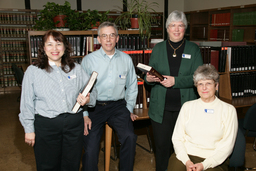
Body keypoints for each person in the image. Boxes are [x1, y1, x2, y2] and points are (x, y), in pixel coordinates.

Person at [19, 30, 97, 171]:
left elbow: (93, 91)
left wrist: (88, 99)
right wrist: (29, 129)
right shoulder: (33, 71)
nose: (54, 49)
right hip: (46, 126)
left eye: (58, 44)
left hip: (74, 126)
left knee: (72, 165)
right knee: (47, 166)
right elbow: (26, 103)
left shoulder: (76, 69)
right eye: (49, 44)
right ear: (43, 48)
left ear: (65, 47)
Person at [144, 10, 203, 171]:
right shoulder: (158, 48)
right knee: (162, 149)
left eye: (181, 26)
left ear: (185, 28)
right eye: (172, 25)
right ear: (167, 28)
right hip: (160, 110)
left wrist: (175, 81)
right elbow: (150, 76)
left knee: (184, 150)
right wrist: (148, 79)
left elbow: (199, 78)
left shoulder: (193, 49)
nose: (176, 29)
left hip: (186, 110)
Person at [81, 21, 138, 171]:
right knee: (91, 147)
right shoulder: (88, 60)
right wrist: (85, 114)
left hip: (118, 106)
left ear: (117, 38)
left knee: (130, 137)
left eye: (112, 35)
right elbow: (81, 90)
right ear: (98, 39)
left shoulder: (126, 59)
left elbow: (132, 85)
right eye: (104, 36)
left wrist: (129, 108)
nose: (108, 39)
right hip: (94, 107)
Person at [168, 64, 238, 171]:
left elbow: (227, 146)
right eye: (200, 84)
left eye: (208, 83)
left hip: (214, 159)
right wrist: (187, 161)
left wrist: (204, 165)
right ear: (196, 87)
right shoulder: (187, 106)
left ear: (216, 86)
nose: (204, 88)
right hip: (186, 155)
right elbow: (177, 138)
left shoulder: (229, 110)